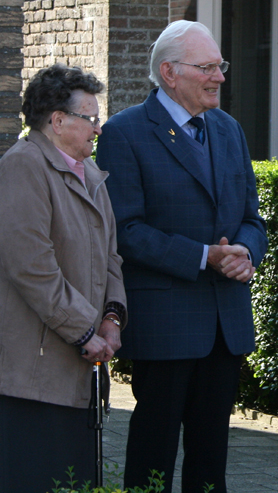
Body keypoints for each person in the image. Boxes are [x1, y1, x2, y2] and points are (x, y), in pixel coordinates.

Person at [95, 20, 267, 493]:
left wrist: (244, 252)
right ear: (170, 72)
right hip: (166, 324)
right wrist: (202, 256)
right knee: (153, 455)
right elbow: (124, 231)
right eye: (208, 67)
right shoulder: (124, 132)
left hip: (224, 323)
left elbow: (253, 218)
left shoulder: (229, 130)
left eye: (221, 66)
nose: (220, 76)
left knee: (211, 460)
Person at [0, 65, 127, 492]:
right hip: (34, 377)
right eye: (91, 118)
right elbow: (31, 267)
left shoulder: (91, 174)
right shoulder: (22, 167)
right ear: (57, 121)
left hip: (81, 365)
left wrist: (112, 319)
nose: (99, 128)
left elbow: (112, 255)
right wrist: (84, 332)